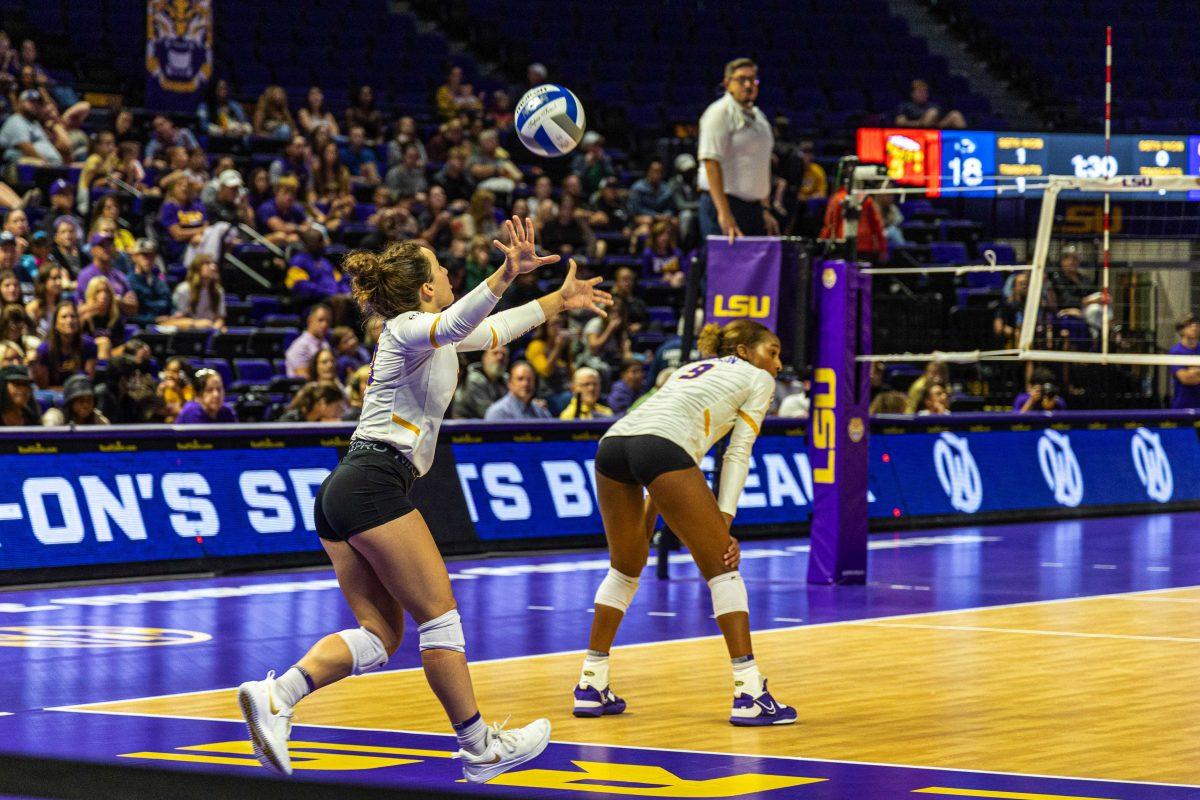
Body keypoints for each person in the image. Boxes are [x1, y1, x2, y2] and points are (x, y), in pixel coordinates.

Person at [235, 217, 609, 781]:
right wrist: (506, 272)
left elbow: (493, 329)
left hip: (350, 486)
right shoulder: (406, 326)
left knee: (381, 637)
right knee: (440, 620)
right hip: (373, 482)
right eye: (442, 269)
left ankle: (277, 696)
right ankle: (480, 747)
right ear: (426, 288)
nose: (450, 275)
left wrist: (558, 299)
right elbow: (463, 318)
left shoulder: (439, 335)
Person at [575, 319, 795, 725]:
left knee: (624, 567)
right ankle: (749, 691)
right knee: (723, 569)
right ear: (744, 352)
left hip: (614, 445)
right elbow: (737, 454)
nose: (778, 364)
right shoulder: (757, 378)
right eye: (773, 351)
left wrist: (649, 516)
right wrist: (723, 523)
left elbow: (658, 451)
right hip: (662, 449)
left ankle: (591, 682)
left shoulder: (686, 370)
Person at [697, 59, 777, 242]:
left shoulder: (760, 118)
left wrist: (765, 209)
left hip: (753, 209)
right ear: (727, 83)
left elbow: (761, 165)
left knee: (753, 270)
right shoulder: (719, 113)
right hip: (724, 204)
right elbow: (711, 162)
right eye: (742, 80)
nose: (748, 85)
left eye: (753, 80)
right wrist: (724, 213)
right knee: (723, 268)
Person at [32, 301, 97, 390]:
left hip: (81, 394)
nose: (69, 321)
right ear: (55, 324)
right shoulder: (44, 349)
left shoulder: (89, 345)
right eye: (64, 317)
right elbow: (44, 387)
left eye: (73, 316)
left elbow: (89, 381)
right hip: (53, 397)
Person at [484, 361, 553, 420]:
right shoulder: (498, 412)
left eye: (529, 379)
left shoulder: (540, 410)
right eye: (520, 379)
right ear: (510, 383)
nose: (525, 383)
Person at [454, 344, 508, 418]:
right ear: (484, 357)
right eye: (495, 353)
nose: (500, 357)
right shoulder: (473, 379)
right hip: (466, 425)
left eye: (504, 355)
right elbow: (488, 413)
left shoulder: (506, 379)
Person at [894, 79, 966, 129]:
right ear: (912, 94)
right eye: (920, 92)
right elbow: (900, 123)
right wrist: (922, 122)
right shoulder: (904, 106)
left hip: (934, 130)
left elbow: (940, 122)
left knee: (955, 114)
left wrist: (929, 122)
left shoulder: (933, 106)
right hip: (915, 132)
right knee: (931, 113)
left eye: (925, 92)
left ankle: (966, 139)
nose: (923, 94)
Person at [42, 373, 108, 425]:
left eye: (89, 400)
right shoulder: (55, 416)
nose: (86, 405)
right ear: (71, 402)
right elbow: (46, 434)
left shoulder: (97, 418)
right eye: (81, 400)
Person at [276, 381, 348, 422]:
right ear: (323, 403)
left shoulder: (321, 421)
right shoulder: (290, 421)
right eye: (338, 407)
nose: (340, 413)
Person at [1169, 313, 1200, 409]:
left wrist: (1194, 371)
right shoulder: (1176, 351)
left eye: (1196, 325)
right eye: (1190, 325)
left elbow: (1192, 376)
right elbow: (1186, 379)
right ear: (1181, 330)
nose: (1194, 328)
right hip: (1182, 407)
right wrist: (1190, 374)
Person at [156, 356, 195, 423]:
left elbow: (187, 411)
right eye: (168, 370)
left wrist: (178, 391)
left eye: (174, 371)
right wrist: (160, 393)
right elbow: (158, 410)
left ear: (182, 374)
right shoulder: (162, 387)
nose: (170, 375)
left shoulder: (188, 389)